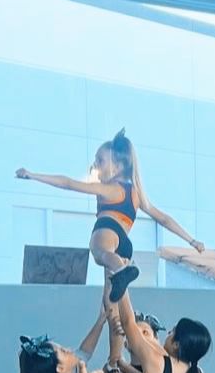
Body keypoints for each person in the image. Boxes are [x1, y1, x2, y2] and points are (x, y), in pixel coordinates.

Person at [16, 128, 204, 304]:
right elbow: (164, 219)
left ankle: (123, 269)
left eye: (100, 161)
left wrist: (33, 175)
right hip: (125, 246)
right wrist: (192, 240)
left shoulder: (108, 189)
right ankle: (119, 283)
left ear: (118, 166)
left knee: (99, 252)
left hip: (107, 230)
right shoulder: (137, 195)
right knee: (111, 306)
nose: (95, 166)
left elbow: (67, 183)